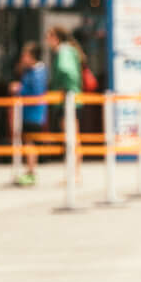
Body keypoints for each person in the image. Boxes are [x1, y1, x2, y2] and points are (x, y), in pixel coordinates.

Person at [46, 25, 84, 175]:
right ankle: (75, 172)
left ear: (56, 38)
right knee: (73, 135)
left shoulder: (63, 50)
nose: (47, 40)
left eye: (49, 37)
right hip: (73, 98)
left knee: (71, 136)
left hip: (67, 99)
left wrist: (63, 88)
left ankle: (74, 173)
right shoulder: (70, 49)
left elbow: (65, 70)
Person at [9, 41, 48, 184]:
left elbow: (35, 94)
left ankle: (31, 172)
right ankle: (29, 171)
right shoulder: (30, 71)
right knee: (27, 141)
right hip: (27, 112)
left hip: (33, 113)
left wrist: (19, 89)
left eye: (25, 55)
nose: (23, 58)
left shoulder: (37, 73)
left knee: (30, 142)